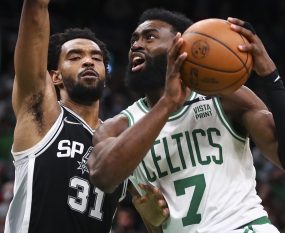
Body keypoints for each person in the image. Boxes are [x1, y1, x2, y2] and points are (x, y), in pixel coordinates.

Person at [88, 8, 285, 233]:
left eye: (150, 37)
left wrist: (270, 75)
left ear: (181, 45)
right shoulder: (118, 127)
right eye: (133, 40)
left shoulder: (226, 99)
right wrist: (168, 103)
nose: (136, 45)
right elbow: (103, 177)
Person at [4, 1, 168, 233]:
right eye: (75, 57)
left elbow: (154, 223)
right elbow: (35, 12)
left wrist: (155, 220)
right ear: (55, 77)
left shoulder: (119, 144)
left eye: (96, 57)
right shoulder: (42, 116)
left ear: (105, 73)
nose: (88, 61)